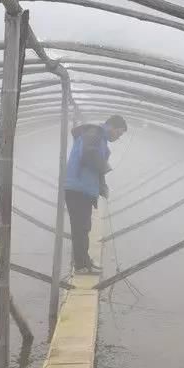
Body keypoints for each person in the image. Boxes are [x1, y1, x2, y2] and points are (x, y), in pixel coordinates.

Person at [64, 115, 127, 274]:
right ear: (111, 126)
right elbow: (88, 155)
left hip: (83, 188)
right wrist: (105, 167)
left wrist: (102, 186)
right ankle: (80, 266)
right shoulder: (94, 133)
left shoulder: (100, 139)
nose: (118, 137)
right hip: (77, 188)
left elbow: (96, 170)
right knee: (80, 228)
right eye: (118, 133)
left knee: (84, 227)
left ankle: (84, 261)